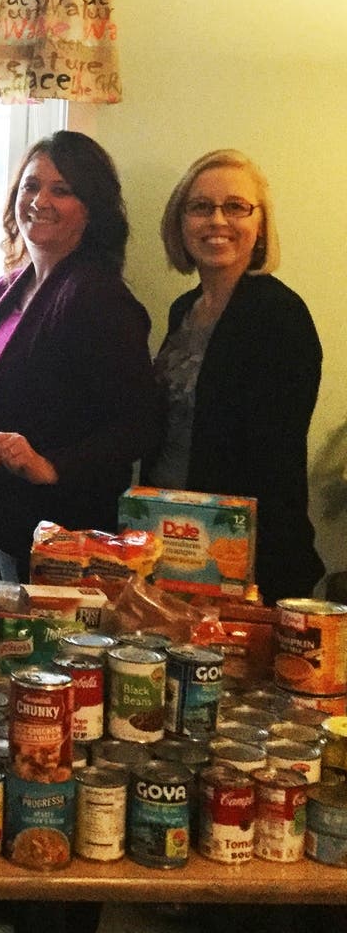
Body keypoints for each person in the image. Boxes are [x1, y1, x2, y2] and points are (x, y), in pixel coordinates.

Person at [144, 149, 323, 602]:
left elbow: (274, 458)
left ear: (259, 224)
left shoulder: (280, 315)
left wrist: (235, 571)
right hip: (172, 539)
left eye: (236, 207)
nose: (217, 220)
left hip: (240, 559)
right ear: (181, 221)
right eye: (201, 207)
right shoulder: (184, 309)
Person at [0, 130, 159, 583]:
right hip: (5, 522)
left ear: (91, 208)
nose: (40, 201)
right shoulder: (8, 287)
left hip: (65, 537)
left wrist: (52, 465)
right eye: (31, 185)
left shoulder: (97, 296)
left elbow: (139, 423)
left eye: (61, 190)